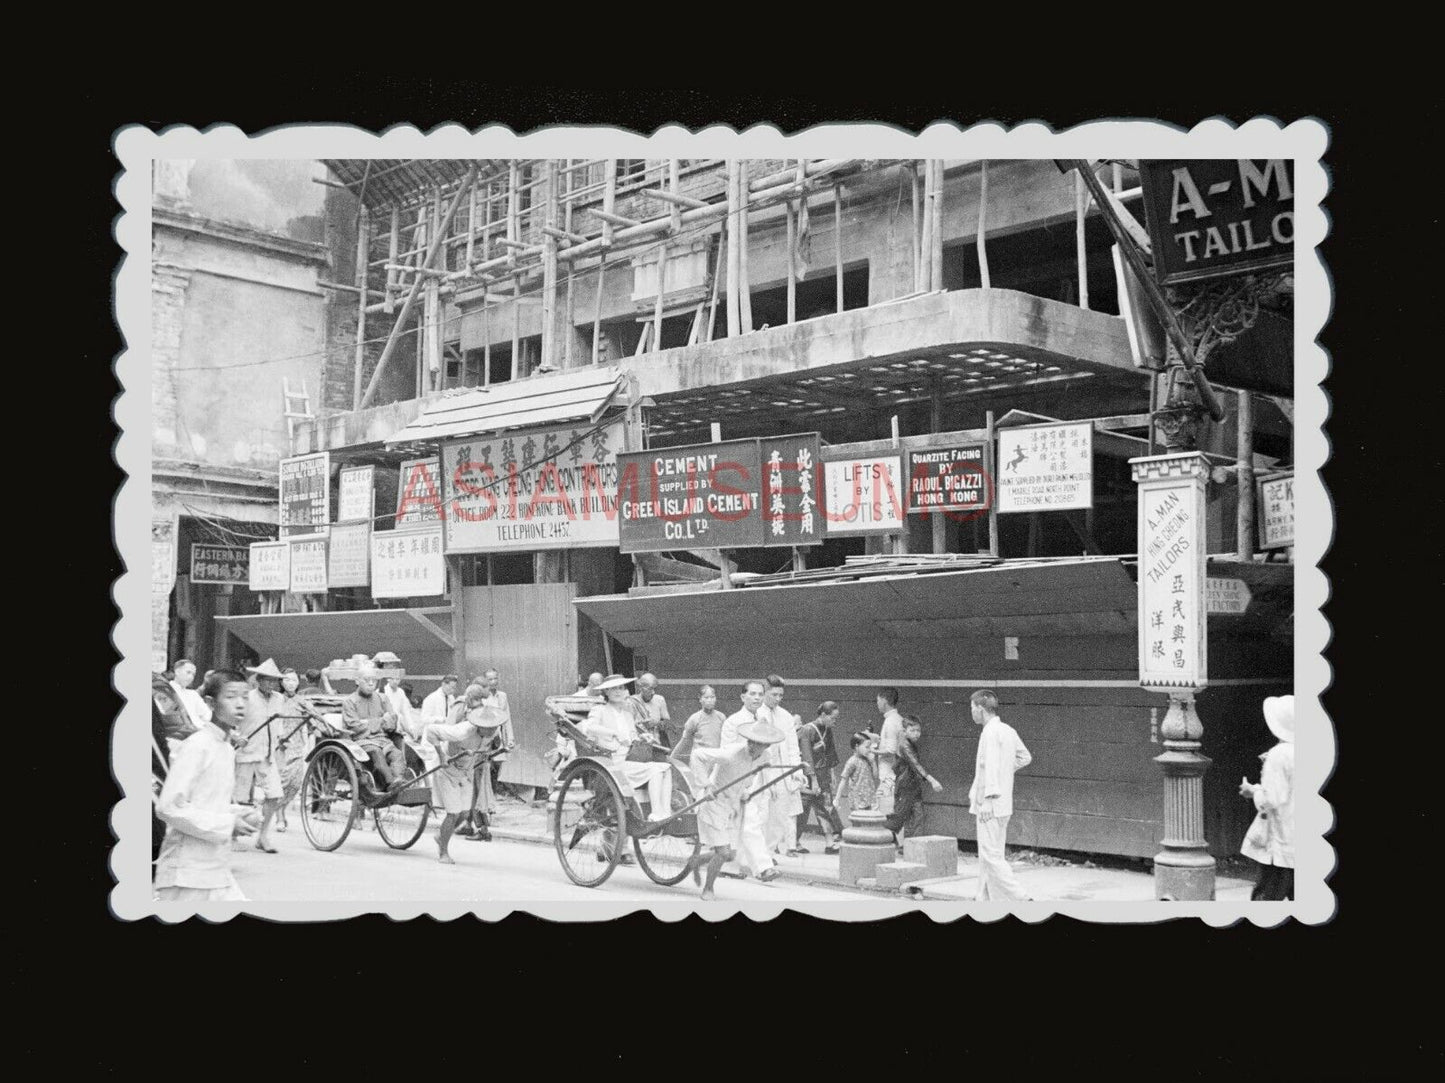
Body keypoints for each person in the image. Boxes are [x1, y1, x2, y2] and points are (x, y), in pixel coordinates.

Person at [154, 670, 263, 902]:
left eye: (245, 697)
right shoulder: (197, 746)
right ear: (210, 703)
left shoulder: (225, 748)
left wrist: (238, 813)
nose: (240, 704)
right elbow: (169, 807)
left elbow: (207, 802)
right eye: (231, 697)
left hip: (214, 869)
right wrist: (228, 823)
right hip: (186, 872)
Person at [685, 719, 786, 900]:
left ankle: (697, 860)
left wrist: (746, 790)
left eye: (760, 744)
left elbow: (750, 776)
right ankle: (708, 889)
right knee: (722, 853)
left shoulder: (765, 757)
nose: (754, 746)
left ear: (766, 745)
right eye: (752, 741)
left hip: (733, 805)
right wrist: (706, 785)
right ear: (748, 740)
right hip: (714, 802)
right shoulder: (731, 753)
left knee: (731, 855)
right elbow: (697, 755)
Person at [579, 675, 674, 822]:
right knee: (657, 770)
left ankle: (665, 812)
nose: (618, 691)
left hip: (626, 761)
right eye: (613, 688)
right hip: (610, 764)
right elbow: (590, 727)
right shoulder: (600, 710)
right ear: (606, 692)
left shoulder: (627, 715)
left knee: (665, 767)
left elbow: (631, 736)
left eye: (621, 688)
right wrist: (614, 733)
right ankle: (655, 812)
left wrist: (642, 738)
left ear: (625, 691)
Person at [967, 690, 1033, 902]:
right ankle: (983, 898)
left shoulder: (990, 732)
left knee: (991, 856)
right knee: (992, 854)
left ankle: (1020, 898)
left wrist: (987, 800)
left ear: (980, 708)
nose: (971, 713)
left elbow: (991, 765)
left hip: (990, 806)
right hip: (1003, 804)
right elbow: (1025, 757)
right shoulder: (1008, 730)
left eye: (972, 708)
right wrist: (1006, 771)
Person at [423, 692, 501, 865]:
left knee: (465, 813)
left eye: (494, 726)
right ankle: (443, 851)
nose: (493, 730)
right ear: (479, 725)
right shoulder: (461, 731)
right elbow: (431, 731)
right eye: (489, 727)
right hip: (448, 770)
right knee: (453, 813)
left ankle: (442, 835)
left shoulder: (492, 733)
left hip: (466, 772)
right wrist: (441, 757)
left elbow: (491, 748)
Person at [720, 680, 777, 880]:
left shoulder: (763, 719)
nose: (756, 698)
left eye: (760, 694)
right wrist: (739, 786)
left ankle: (734, 867)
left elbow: (767, 754)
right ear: (743, 697)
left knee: (746, 823)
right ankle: (763, 868)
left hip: (754, 778)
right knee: (746, 822)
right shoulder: (733, 721)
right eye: (752, 694)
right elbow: (726, 755)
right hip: (732, 779)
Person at [1240, 694, 1295, 901]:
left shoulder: (1279, 754)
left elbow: (1270, 800)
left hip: (1279, 847)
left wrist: (1253, 790)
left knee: (1265, 900)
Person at [235, 659, 288, 853]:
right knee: (239, 798)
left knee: (274, 795)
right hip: (246, 752)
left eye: (275, 681)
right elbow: (234, 722)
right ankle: (233, 836)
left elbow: (279, 723)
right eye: (268, 681)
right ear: (259, 680)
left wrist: (282, 738)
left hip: (268, 755)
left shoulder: (279, 699)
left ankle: (263, 836)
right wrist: (236, 737)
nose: (272, 685)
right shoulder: (246, 697)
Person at [341, 665, 408, 796]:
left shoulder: (382, 698)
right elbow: (354, 726)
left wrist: (368, 722)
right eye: (366, 680)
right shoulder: (349, 701)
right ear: (357, 681)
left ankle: (398, 780)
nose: (371, 683)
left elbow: (391, 722)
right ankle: (390, 784)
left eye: (374, 680)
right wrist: (381, 720)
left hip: (383, 739)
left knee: (397, 754)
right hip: (362, 742)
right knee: (376, 752)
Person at [885, 715, 945, 848]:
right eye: (912, 730)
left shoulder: (910, 745)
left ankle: (911, 847)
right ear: (904, 730)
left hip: (913, 786)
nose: (917, 733)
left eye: (918, 730)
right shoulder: (904, 746)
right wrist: (931, 780)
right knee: (899, 818)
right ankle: (881, 838)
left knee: (917, 816)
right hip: (905, 787)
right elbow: (915, 764)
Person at [762, 676, 806, 856]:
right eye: (774, 694)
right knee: (764, 815)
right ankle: (761, 855)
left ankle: (769, 853)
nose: (778, 698)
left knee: (780, 816)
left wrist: (797, 771)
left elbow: (793, 747)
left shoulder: (786, 716)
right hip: (764, 770)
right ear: (765, 692)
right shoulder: (758, 714)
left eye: (781, 695)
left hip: (783, 771)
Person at [796, 701, 844, 854]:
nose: (834, 722)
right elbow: (807, 757)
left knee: (826, 808)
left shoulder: (827, 730)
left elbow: (830, 753)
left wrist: (832, 773)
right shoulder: (807, 730)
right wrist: (813, 780)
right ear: (823, 715)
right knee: (802, 810)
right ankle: (795, 841)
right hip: (808, 777)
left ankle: (830, 843)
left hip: (823, 775)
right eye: (833, 718)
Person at [272, 667, 312, 834]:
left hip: (296, 744)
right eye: (287, 679)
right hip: (279, 744)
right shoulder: (276, 698)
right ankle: (279, 814)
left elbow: (313, 716)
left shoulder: (302, 700)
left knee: (295, 783)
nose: (291, 683)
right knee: (282, 780)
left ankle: (281, 807)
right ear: (281, 681)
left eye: (294, 680)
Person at [670, 685, 727, 791]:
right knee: (699, 793)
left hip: (715, 760)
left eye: (712, 697)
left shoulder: (721, 717)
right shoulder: (694, 719)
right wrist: (672, 758)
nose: (709, 700)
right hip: (700, 762)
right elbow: (684, 741)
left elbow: (727, 740)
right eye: (706, 697)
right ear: (700, 699)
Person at [833, 732, 879, 817]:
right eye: (866, 747)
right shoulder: (852, 761)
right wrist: (837, 798)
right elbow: (843, 780)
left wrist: (873, 763)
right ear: (856, 746)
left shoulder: (868, 760)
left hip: (870, 798)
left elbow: (875, 776)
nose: (869, 749)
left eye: (869, 747)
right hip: (858, 800)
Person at [874, 687, 904, 815]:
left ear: (884, 701)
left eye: (878, 700)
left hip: (889, 774)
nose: (877, 704)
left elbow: (891, 750)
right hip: (895, 773)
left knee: (885, 811)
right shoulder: (897, 719)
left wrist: (872, 751)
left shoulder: (890, 722)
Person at [631, 672, 674, 748]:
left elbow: (668, 724)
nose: (653, 692)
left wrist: (656, 723)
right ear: (640, 687)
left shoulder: (659, 700)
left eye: (655, 688)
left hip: (657, 743)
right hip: (639, 744)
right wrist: (641, 725)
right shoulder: (632, 702)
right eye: (650, 689)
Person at [169, 659, 211, 727]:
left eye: (193, 674)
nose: (191, 677)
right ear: (177, 671)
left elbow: (207, 714)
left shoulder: (193, 694)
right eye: (188, 672)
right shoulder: (168, 690)